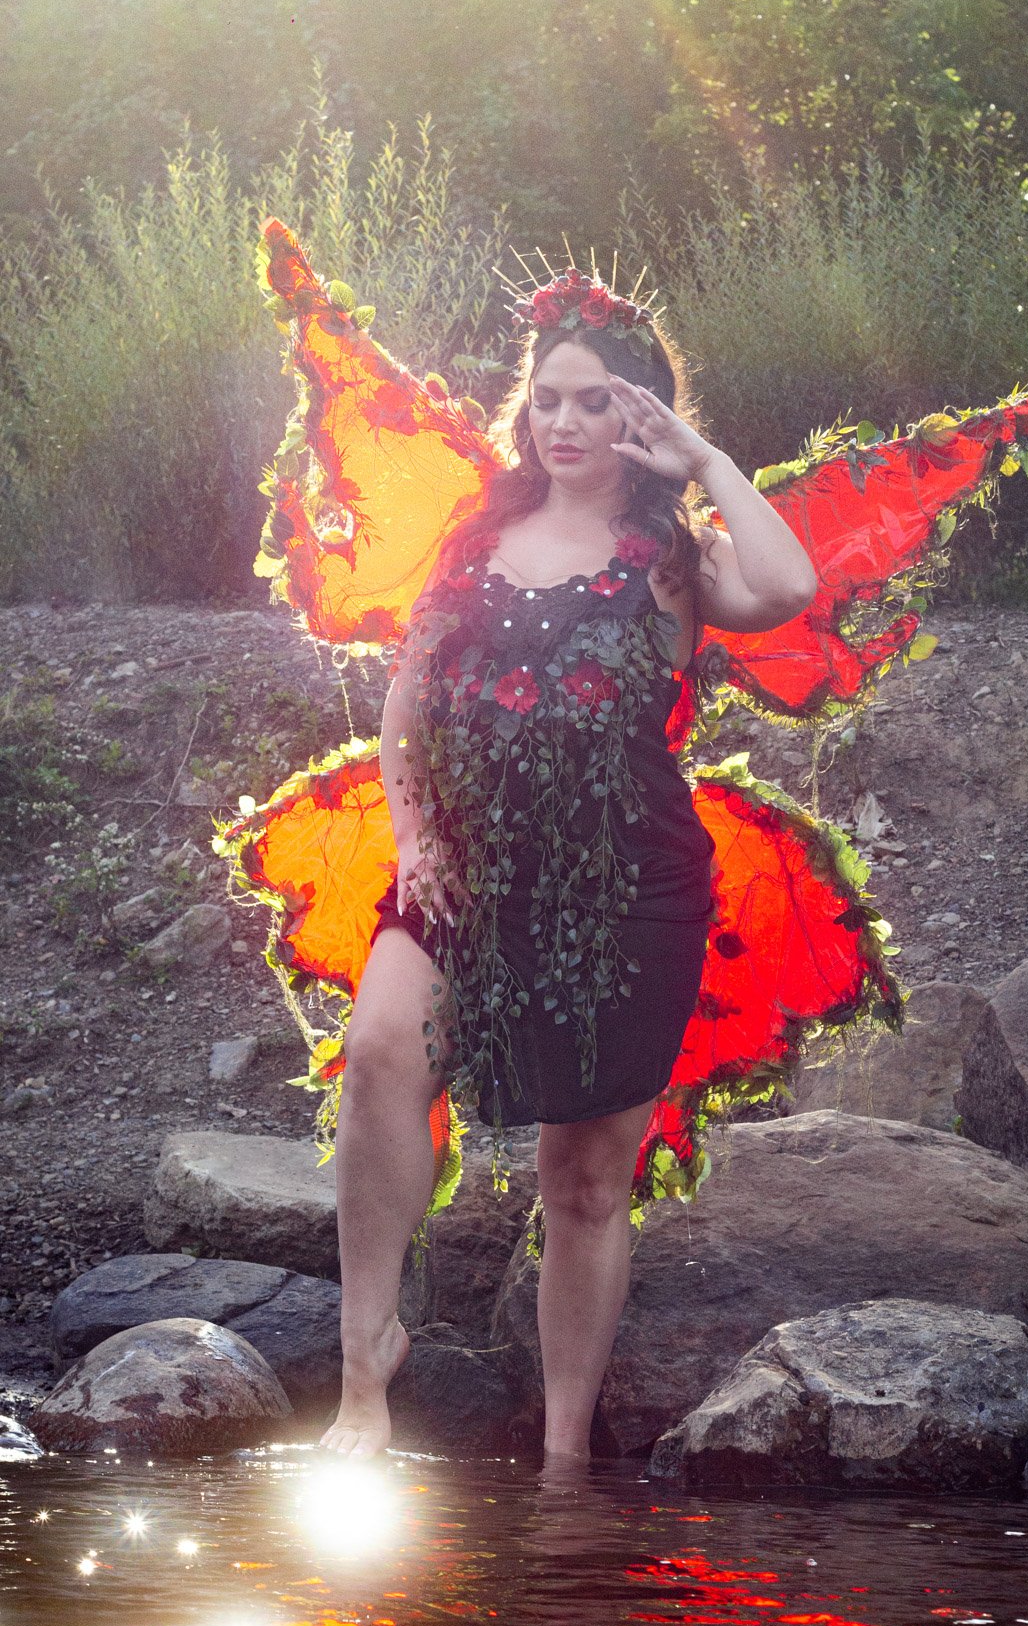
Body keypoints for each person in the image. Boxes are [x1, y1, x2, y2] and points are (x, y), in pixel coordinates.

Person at [317, 272, 818, 1464]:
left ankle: (563, 1458)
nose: (564, 422)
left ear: (639, 418)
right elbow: (404, 701)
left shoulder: (670, 559)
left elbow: (792, 586)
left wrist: (702, 459)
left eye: (596, 402)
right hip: (464, 870)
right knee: (385, 1044)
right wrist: (418, 835)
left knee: (585, 1174)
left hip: (626, 886)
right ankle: (361, 1367)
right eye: (548, 399)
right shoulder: (478, 537)